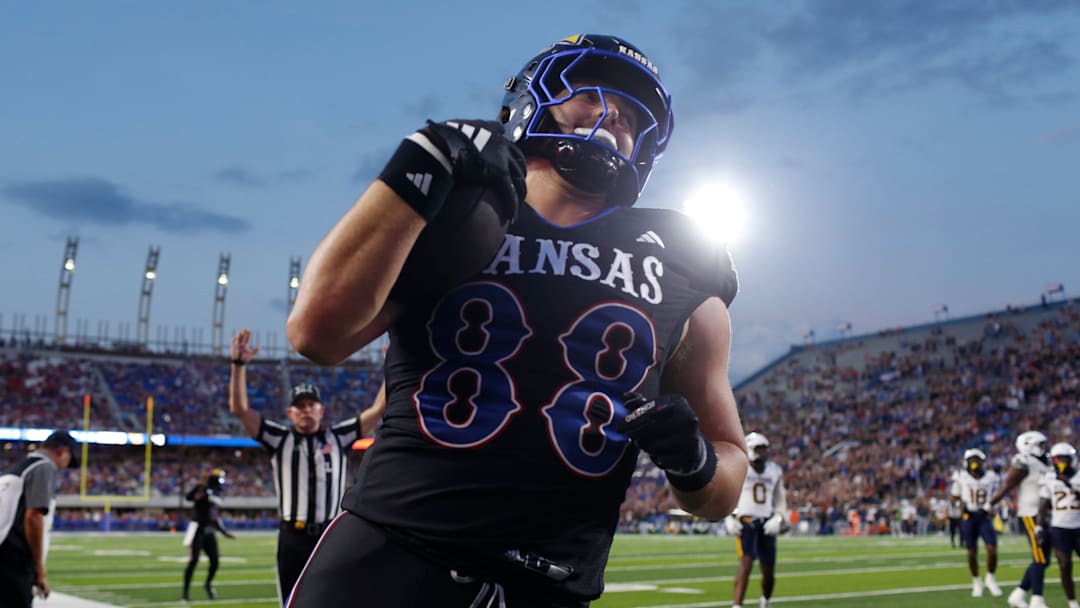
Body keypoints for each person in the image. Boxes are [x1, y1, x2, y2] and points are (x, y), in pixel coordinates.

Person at [285, 33, 748, 607]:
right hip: (389, 554)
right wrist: (420, 161)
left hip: (550, 584)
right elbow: (317, 334)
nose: (613, 117)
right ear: (533, 99)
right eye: (591, 94)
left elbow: (726, 483)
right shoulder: (461, 207)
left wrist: (694, 461)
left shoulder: (685, 254)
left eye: (631, 114)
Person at [228, 328, 386, 604]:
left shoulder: (338, 436)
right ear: (290, 413)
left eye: (311, 404)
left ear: (321, 410)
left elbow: (377, 410)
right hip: (293, 535)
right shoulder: (280, 438)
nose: (306, 410)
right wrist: (238, 366)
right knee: (291, 601)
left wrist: (391, 369)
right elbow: (240, 409)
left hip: (329, 534)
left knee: (334, 599)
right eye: (299, 406)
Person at [0, 430, 79, 608]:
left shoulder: (17, 468)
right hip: (13, 558)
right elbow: (33, 516)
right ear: (62, 451)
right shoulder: (43, 466)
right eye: (68, 460)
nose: (65, 467)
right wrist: (39, 568)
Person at [724, 432, 786, 608]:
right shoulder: (739, 468)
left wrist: (779, 517)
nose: (762, 454)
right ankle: (737, 605)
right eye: (759, 449)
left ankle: (766, 601)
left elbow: (780, 499)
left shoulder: (774, 470)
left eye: (764, 450)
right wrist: (728, 517)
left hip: (767, 522)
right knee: (746, 564)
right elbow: (727, 494)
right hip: (746, 521)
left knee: (769, 571)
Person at [991, 431, 1052, 608]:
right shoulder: (1023, 460)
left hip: (1042, 514)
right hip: (1030, 512)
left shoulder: (1042, 462)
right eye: (1040, 444)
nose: (1043, 448)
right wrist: (991, 503)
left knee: (1043, 558)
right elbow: (1008, 484)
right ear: (1028, 445)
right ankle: (1037, 599)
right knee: (1040, 557)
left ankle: (1018, 595)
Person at [951, 448, 1003, 597]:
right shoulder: (961, 477)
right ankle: (976, 581)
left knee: (992, 548)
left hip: (985, 516)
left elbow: (997, 496)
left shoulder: (991, 477)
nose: (975, 465)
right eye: (972, 462)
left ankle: (990, 579)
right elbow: (953, 498)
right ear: (966, 463)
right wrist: (961, 507)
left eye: (977, 461)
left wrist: (993, 508)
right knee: (971, 551)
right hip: (969, 516)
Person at [182, 468, 236, 601]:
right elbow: (189, 497)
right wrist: (200, 490)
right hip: (196, 530)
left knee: (215, 561)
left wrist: (223, 532)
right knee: (193, 561)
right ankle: (185, 593)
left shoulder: (215, 494)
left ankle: (207, 584)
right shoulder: (202, 488)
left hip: (209, 531)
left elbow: (214, 516)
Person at [1039, 442, 1080, 608]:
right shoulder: (1048, 478)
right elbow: (1042, 504)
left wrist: (1069, 484)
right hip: (1060, 529)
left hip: (1079, 527)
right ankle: (1072, 602)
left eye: (1064, 459)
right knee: (1064, 565)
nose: (1060, 462)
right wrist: (1039, 527)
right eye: (1057, 459)